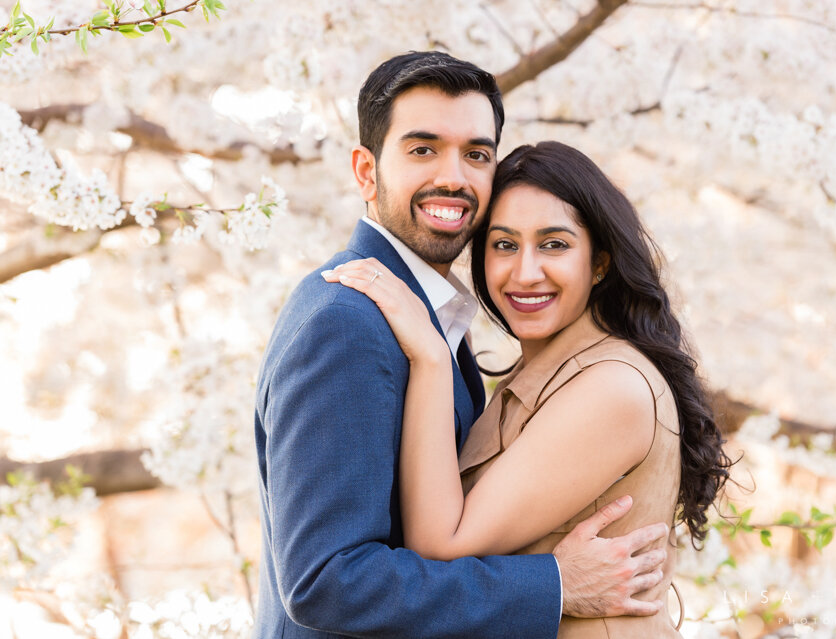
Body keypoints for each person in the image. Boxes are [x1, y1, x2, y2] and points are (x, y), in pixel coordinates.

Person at [254, 52, 672, 639]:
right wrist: (553, 584)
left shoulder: (431, 322)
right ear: (367, 172)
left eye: (476, 154)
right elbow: (325, 580)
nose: (453, 176)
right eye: (423, 150)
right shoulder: (348, 321)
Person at [325, 140, 733, 637]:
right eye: (504, 245)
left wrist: (430, 356)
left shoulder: (612, 387)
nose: (525, 272)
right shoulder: (536, 378)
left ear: (599, 262)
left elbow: (440, 544)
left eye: (554, 244)